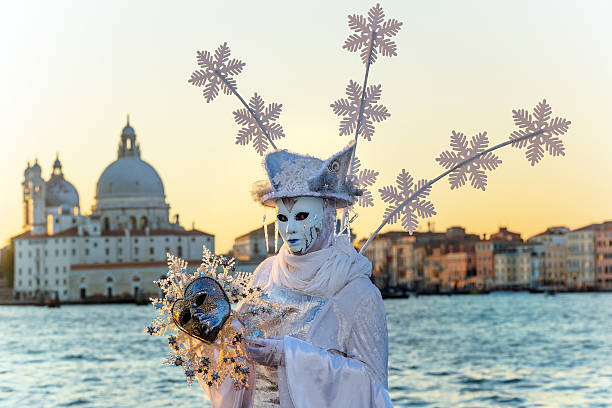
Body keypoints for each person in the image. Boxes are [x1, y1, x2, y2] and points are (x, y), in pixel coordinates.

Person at [198, 143, 393, 407]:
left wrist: (290, 355)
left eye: (301, 216)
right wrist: (209, 330)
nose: (289, 229)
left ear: (327, 216)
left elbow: (373, 388)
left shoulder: (358, 292)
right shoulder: (266, 273)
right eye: (282, 217)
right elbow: (236, 350)